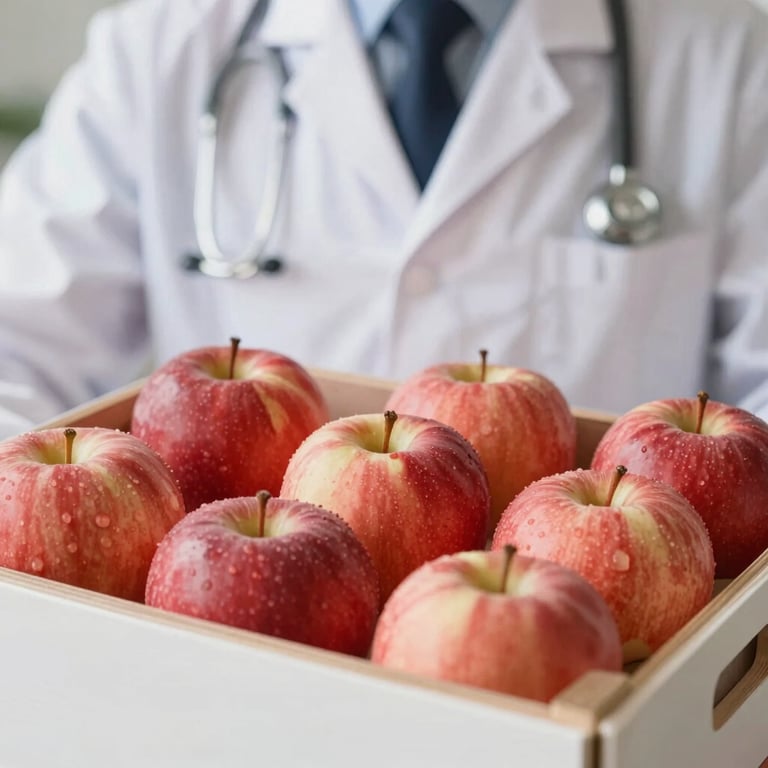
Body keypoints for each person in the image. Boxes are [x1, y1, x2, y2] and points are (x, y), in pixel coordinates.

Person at [0, 0, 767, 441]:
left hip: (598, 642)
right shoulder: (159, 49)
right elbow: (15, 350)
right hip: (230, 625)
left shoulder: (730, 60)